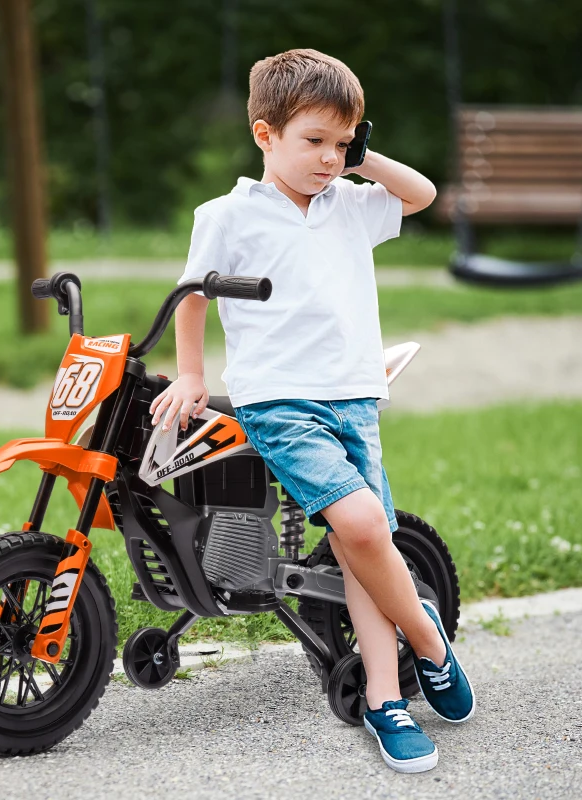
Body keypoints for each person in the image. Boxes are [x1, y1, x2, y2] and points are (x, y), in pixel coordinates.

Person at [148, 48, 475, 773]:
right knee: (361, 524)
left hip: (355, 394)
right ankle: (428, 642)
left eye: (342, 143)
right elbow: (194, 295)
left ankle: (387, 701)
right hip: (280, 400)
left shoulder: (351, 205)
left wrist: (364, 158)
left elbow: (421, 194)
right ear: (266, 135)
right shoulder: (228, 214)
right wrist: (195, 373)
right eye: (314, 142)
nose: (330, 159)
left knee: (365, 552)